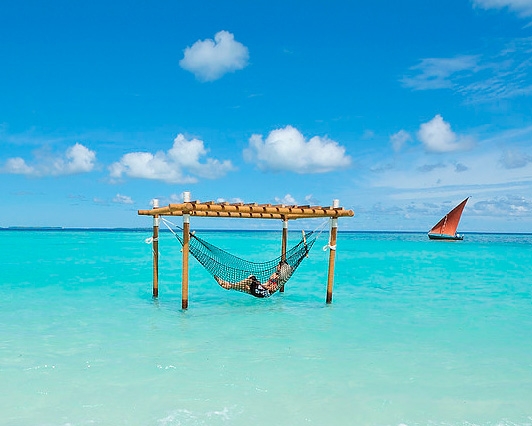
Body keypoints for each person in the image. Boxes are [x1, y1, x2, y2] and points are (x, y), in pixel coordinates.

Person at [214, 261, 292, 298]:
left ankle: (228, 284)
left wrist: (259, 284)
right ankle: (227, 286)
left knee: (249, 281)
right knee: (250, 279)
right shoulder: (274, 274)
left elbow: (271, 288)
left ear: (281, 268)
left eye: (278, 265)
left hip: (265, 293)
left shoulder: (279, 279)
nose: (277, 266)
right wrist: (260, 284)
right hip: (261, 290)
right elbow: (267, 283)